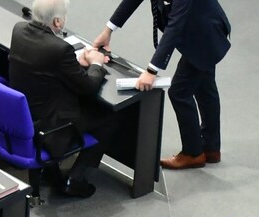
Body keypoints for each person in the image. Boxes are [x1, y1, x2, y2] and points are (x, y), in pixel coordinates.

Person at [93, 0, 231, 170]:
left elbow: (175, 26)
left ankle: (193, 153)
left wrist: (151, 71)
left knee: (179, 92)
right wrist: (108, 30)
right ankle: (211, 148)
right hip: (195, 30)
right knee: (205, 87)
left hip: (206, 34)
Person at [9, 0, 113, 198]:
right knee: (108, 117)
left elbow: (48, 64)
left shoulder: (19, 30)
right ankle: (75, 178)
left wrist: (74, 62)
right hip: (52, 129)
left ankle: (51, 170)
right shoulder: (60, 49)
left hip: (25, 118)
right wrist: (96, 64)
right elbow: (89, 87)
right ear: (57, 22)